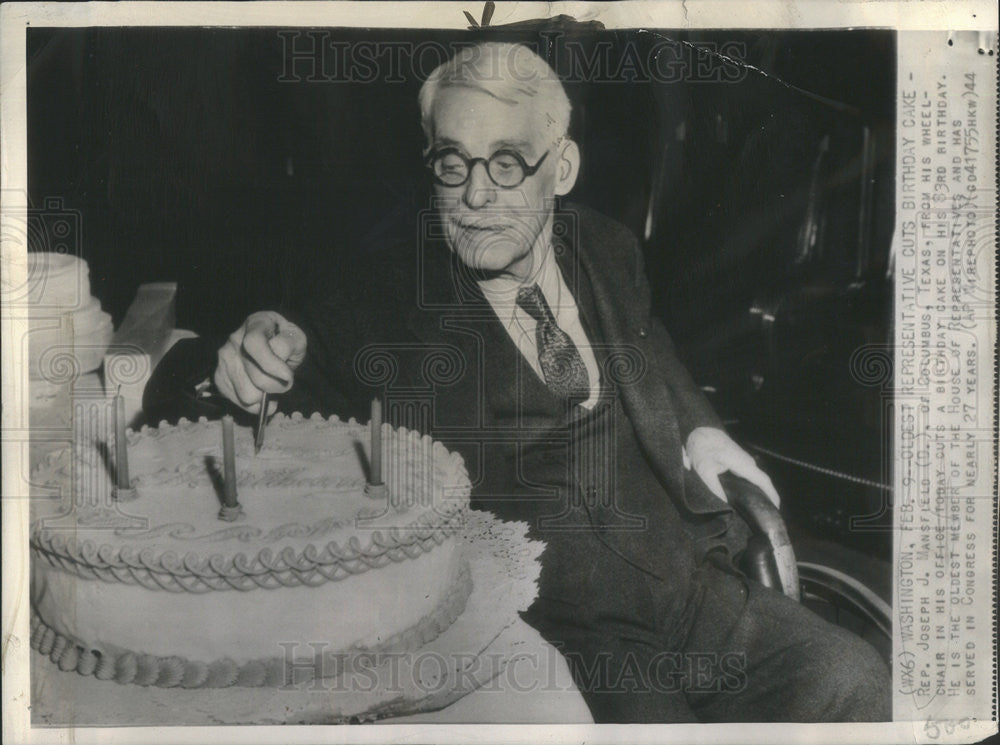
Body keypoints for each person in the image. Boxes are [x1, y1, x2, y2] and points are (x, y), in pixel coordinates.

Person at [146, 42, 890, 722]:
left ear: (560, 168)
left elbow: (647, 345)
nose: (474, 196)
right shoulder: (379, 306)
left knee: (851, 676)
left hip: (691, 577)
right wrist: (228, 370)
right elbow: (245, 394)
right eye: (452, 162)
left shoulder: (606, 249)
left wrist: (704, 427)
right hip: (568, 631)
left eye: (508, 163)